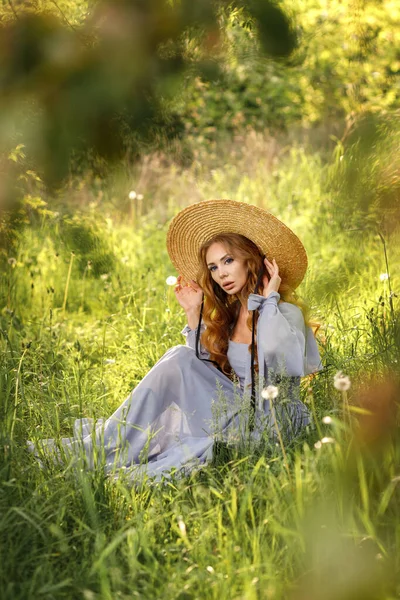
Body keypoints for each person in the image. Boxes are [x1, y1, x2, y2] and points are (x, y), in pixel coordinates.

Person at [29, 199, 321, 479]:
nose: (221, 274)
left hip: (269, 422)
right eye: (213, 267)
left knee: (179, 363)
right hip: (233, 407)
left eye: (228, 260)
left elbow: (278, 358)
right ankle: (105, 442)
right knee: (179, 356)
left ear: (251, 260)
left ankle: (104, 445)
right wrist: (193, 311)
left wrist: (270, 298)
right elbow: (201, 370)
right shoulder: (232, 314)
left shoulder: (285, 312)